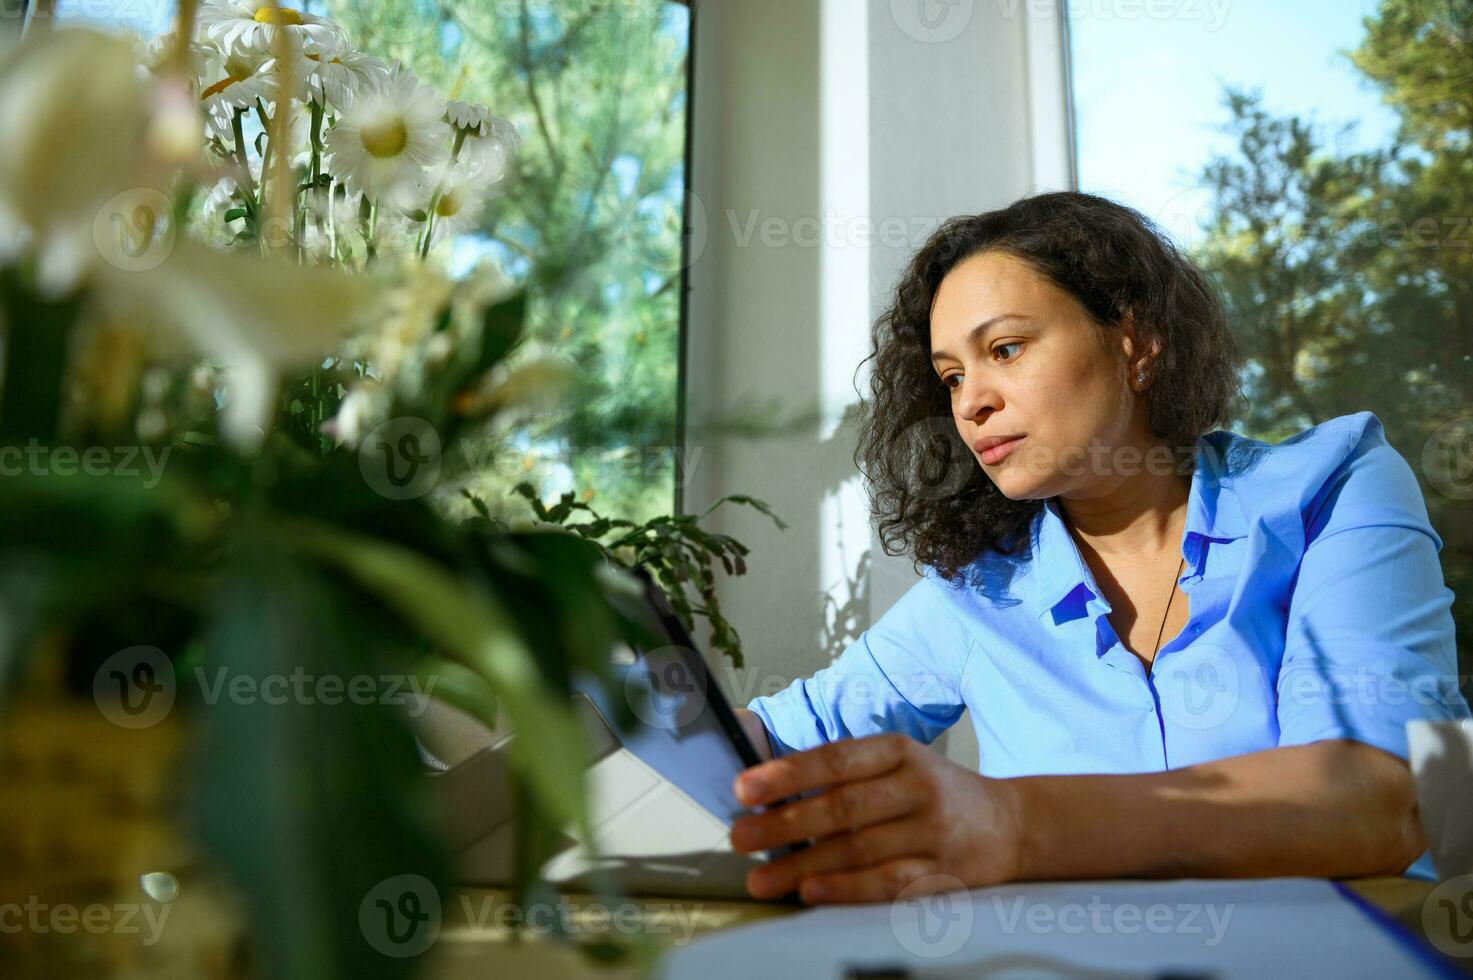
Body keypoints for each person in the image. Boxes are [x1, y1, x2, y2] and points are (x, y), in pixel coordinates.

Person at [727, 191, 1471, 906]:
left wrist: (1017, 824)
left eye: (1006, 348)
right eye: (951, 375)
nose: (969, 402)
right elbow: (778, 744)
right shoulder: (981, 589)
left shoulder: (1335, 487)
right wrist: (629, 683)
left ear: (1135, 341)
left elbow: (1384, 797)